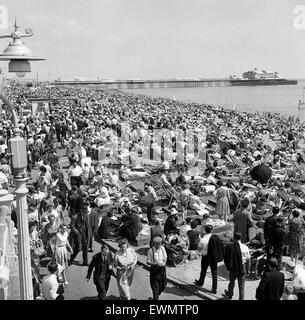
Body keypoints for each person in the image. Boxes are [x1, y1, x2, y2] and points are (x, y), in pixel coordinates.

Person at [194, 225, 224, 294]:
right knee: (214, 273)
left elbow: (199, 249)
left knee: (203, 271)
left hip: (205, 257)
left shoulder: (203, 239)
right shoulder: (215, 238)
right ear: (212, 230)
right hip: (213, 257)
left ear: (205, 230)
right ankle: (214, 288)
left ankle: (200, 283)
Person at [223, 232, 250, 300]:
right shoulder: (245, 247)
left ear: (234, 238)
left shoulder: (230, 247)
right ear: (241, 238)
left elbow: (226, 258)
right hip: (242, 268)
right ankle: (241, 298)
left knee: (231, 282)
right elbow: (248, 260)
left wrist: (228, 267)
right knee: (241, 286)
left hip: (233, 268)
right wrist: (248, 269)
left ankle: (230, 294)